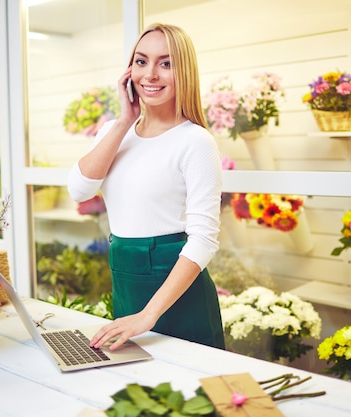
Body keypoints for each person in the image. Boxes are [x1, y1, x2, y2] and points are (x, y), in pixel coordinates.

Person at [67, 23, 224, 351]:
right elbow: (79, 190)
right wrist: (125, 121)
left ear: (184, 73)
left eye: (165, 64)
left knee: (189, 393)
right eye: (141, 61)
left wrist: (148, 315)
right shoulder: (114, 130)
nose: (150, 74)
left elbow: (204, 240)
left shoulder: (195, 141)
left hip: (176, 287)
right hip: (125, 278)